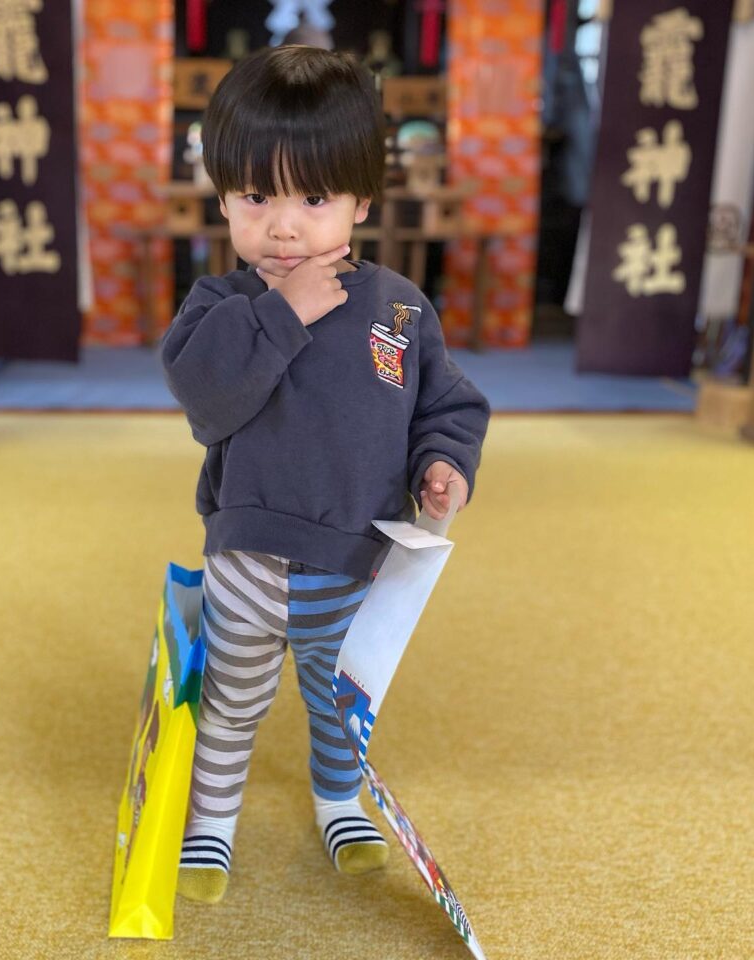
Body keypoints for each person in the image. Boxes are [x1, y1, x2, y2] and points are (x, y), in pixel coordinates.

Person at [161, 45, 490, 905]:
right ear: (224, 197)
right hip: (250, 557)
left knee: (340, 701)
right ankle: (211, 822)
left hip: (356, 561)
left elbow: (445, 407)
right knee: (233, 697)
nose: (284, 227)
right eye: (255, 197)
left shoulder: (398, 309)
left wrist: (444, 464)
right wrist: (281, 313)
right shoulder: (221, 308)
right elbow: (206, 401)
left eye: (314, 199)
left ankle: (340, 800)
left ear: (360, 201)